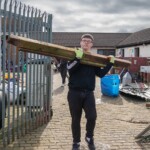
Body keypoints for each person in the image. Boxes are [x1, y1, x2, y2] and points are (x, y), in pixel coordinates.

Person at [67, 34, 115, 150]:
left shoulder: (94, 59)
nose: (86, 43)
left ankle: (89, 137)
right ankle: (76, 142)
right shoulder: (73, 55)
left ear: (92, 45)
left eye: (89, 41)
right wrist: (78, 58)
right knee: (75, 119)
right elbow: (69, 69)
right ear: (80, 43)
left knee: (92, 117)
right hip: (74, 92)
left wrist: (110, 64)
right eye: (84, 41)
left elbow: (100, 74)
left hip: (89, 93)